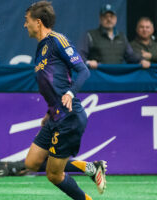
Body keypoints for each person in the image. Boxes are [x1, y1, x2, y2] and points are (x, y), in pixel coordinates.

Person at [23, 1, 107, 199]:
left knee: (54, 174)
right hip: (55, 115)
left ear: (38, 22)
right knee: (31, 163)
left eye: (26, 21)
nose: (24, 25)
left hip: (69, 116)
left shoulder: (57, 40)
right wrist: (48, 112)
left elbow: (83, 70)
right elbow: (54, 83)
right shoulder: (40, 48)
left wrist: (70, 93)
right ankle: (92, 168)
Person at [79, 4, 150, 69]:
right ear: (100, 19)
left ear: (116, 19)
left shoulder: (122, 36)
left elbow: (130, 56)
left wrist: (141, 60)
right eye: (105, 16)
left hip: (117, 79)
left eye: (111, 16)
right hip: (98, 79)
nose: (109, 19)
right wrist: (88, 62)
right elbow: (80, 56)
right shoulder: (90, 35)